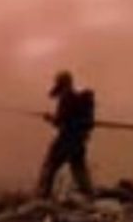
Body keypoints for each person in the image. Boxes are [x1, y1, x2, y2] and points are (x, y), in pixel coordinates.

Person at [37, 71, 95, 199]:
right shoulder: (80, 99)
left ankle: (42, 195)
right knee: (79, 168)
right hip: (79, 140)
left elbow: (59, 121)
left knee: (50, 167)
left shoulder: (66, 97)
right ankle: (89, 194)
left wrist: (49, 118)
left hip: (66, 139)